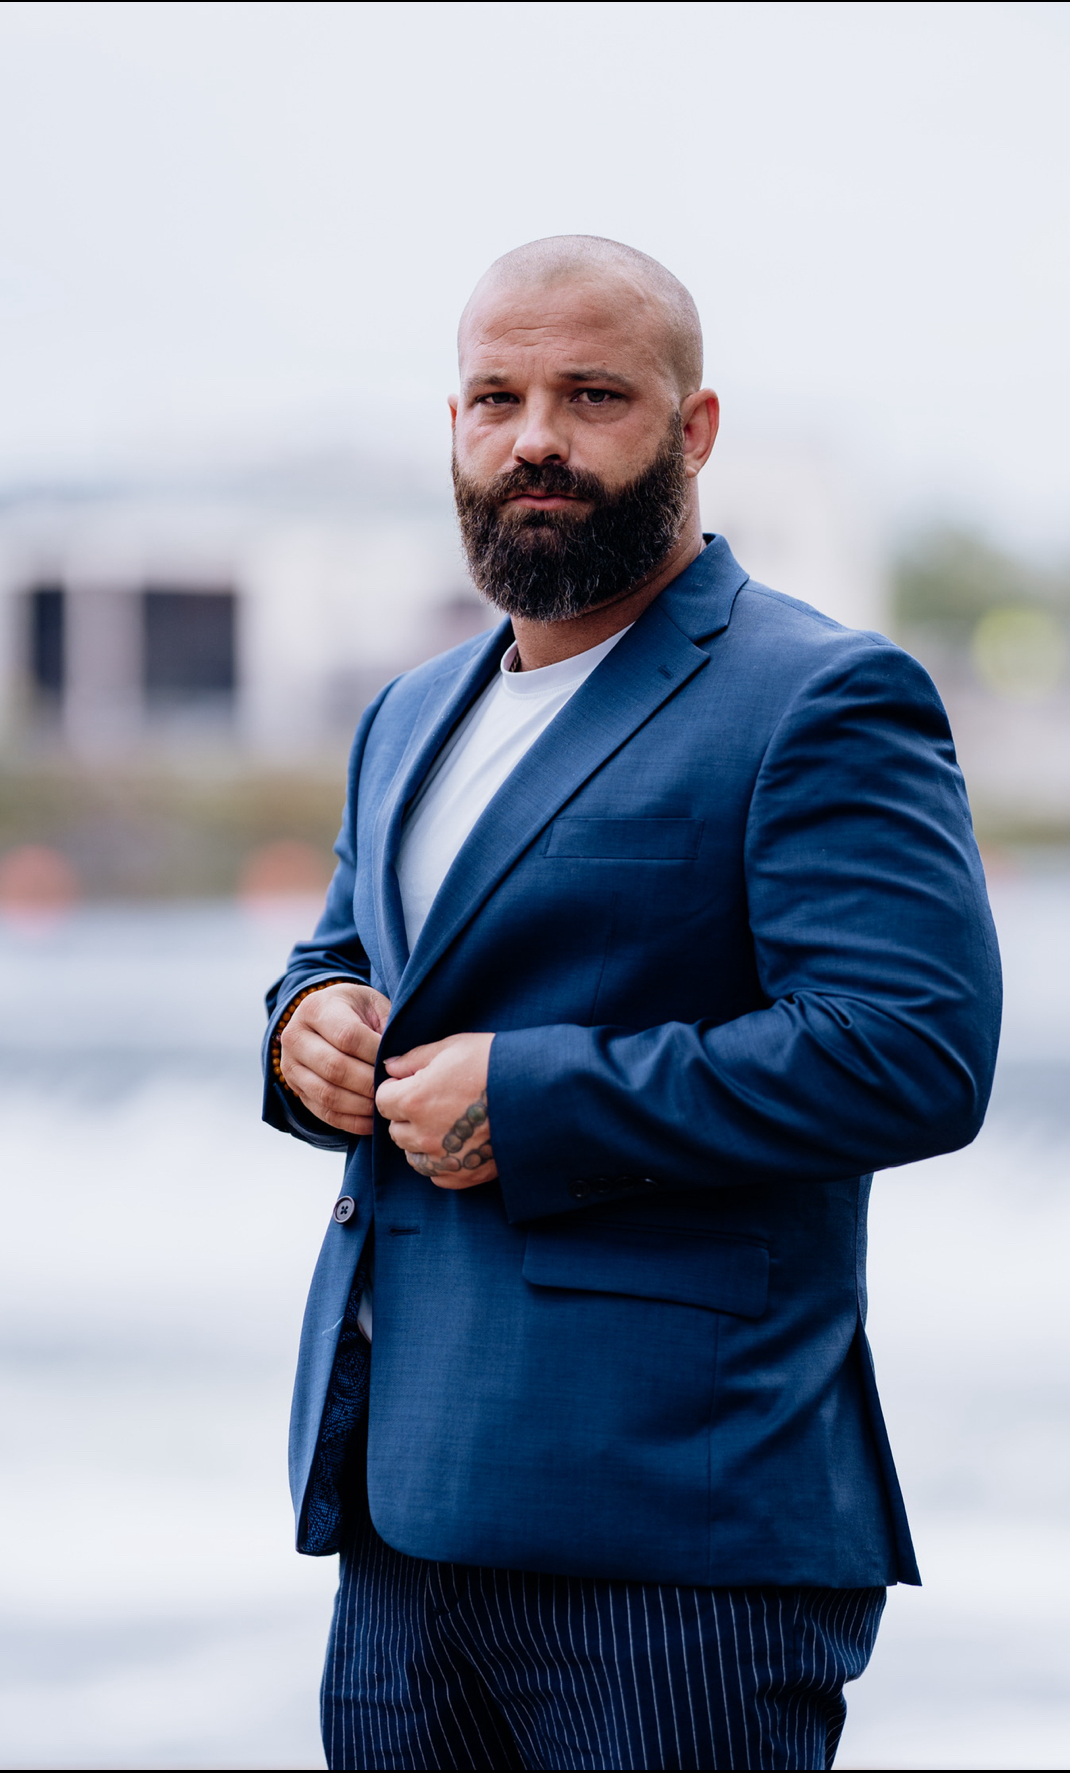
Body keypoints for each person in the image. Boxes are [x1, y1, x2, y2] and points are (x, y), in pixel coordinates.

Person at [262, 235, 1001, 1772]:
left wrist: (532, 1099)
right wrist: (305, 1022)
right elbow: (348, 952)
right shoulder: (410, 709)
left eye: (592, 393)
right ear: (454, 427)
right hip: (402, 1522)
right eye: (495, 396)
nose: (535, 435)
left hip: (678, 1541)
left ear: (694, 427)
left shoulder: (822, 695)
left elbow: (913, 1053)